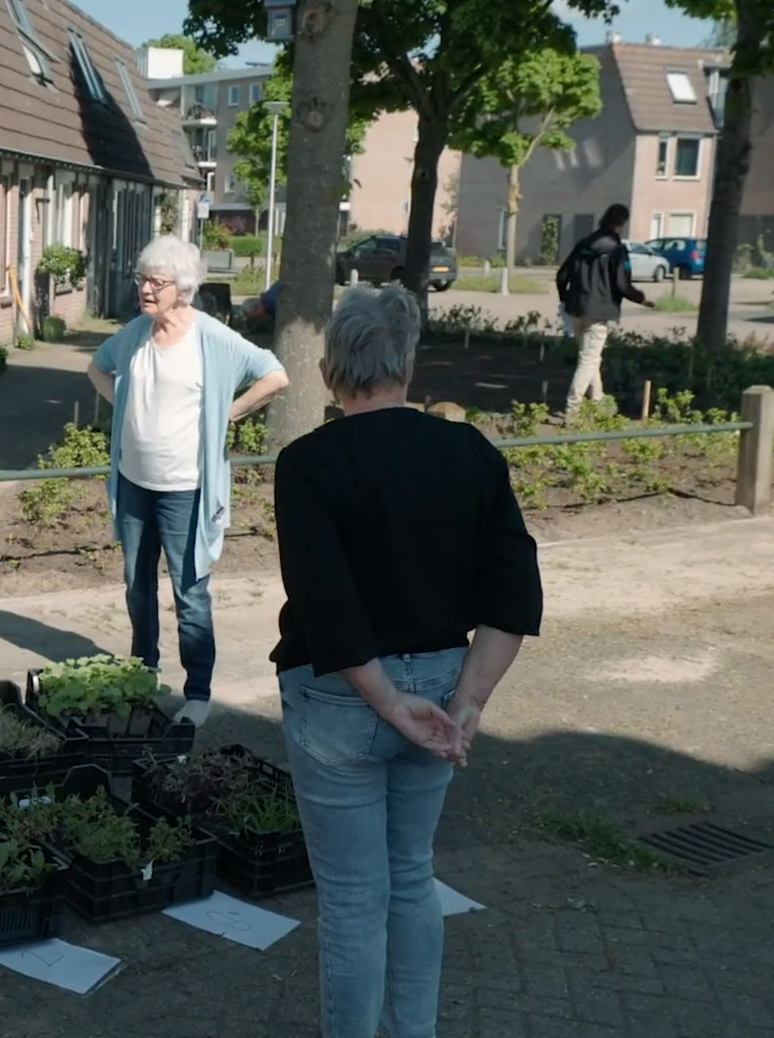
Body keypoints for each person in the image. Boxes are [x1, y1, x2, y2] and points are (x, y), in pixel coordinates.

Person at [272, 285, 544, 1038]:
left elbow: (325, 603)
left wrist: (389, 703)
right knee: (411, 876)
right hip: (439, 688)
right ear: (409, 364)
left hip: (343, 698)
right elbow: (514, 593)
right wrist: (469, 703)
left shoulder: (306, 464)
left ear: (330, 371)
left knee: (355, 898)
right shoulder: (470, 452)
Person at [85, 235, 288, 727]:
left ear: (184, 288)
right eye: (142, 279)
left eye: (156, 281)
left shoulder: (211, 338)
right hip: (133, 481)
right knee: (137, 584)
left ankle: (198, 692)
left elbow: (275, 374)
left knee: (189, 590)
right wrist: (124, 411)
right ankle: (143, 673)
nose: (145, 289)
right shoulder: (135, 333)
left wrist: (229, 412)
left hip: (186, 487)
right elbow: (96, 367)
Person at [556, 203, 655, 418]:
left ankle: (599, 403)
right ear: (621, 224)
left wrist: (566, 299)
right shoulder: (616, 250)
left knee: (591, 357)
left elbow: (562, 275)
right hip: (599, 313)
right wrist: (642, 299)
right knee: (587, 360)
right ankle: (572, 411)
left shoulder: (583, 244)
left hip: (576, 310)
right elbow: (622, 284)